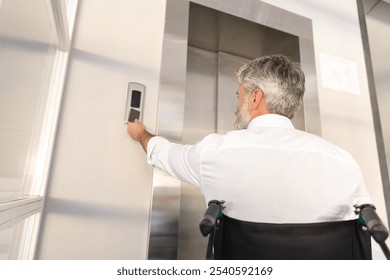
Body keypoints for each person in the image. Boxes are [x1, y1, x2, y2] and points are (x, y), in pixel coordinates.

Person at [127, 54, 370, 224]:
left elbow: (164, 153)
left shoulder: (215, 152)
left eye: (238, 96)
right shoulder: (344, 162)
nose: (236, 106)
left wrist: (141, 133)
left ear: (255, 98)